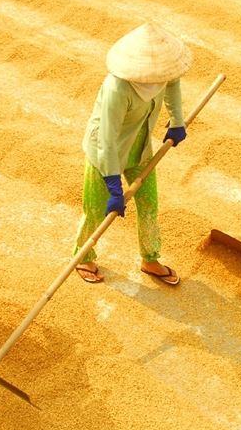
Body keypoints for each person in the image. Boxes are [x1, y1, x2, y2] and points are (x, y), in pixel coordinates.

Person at [73, 24, 192, 286]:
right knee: (96, 209)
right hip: (106, 151)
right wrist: (114, 184)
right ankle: (84, 255)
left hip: (140, 145)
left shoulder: (163, 72)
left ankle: (150, 258)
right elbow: (107, 139)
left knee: (149, 202)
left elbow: (172, 86)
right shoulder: (118, 88)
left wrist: (177, 121)